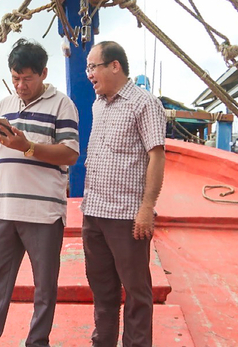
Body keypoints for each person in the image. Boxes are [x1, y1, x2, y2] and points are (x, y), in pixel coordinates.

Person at [0, 38, 80, 347]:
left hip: (43, 212)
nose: (20, 85)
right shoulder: (4, 105)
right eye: (15, 78)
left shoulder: (62, 105)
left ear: (43, 74)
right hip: (3, 210)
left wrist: (27, 146)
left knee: (44, 286)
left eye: (27, 78)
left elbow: (70, 154)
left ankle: (37, 342)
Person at [80, 41, 166, 347]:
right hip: (94, 214)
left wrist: (147, 208)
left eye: (93, 66)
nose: (88, 73)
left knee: (136, 293)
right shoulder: (98, 104)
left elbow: (156, 156)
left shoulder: (144, 103)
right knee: (103, 292)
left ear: (114, 66)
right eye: (87, 67)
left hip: (126, 217)